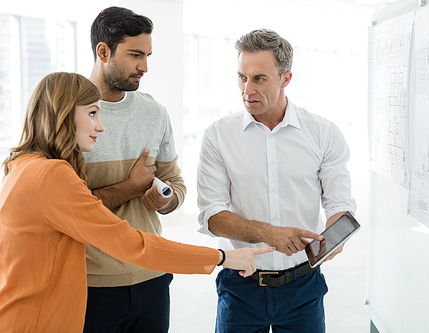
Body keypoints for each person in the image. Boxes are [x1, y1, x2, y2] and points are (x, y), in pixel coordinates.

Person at [0, 72, 272, 333]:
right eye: (92, 113)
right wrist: (223, 257)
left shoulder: (22, 167)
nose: (100, 126)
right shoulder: (52, 175)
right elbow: (132, 244)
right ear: (64, 112)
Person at [197, 29, 357, 333]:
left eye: (259, 79)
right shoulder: (218, 136)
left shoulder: (322, 133)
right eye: (242, 77)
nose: (247, 89)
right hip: (240, 286)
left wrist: (333, 237)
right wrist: (269, 234)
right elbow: (212, 216)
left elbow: (340, 203)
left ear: (286, 78)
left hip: (302, 288)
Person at [83, 7, 184, 332]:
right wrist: (130, 186)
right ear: (104, 51)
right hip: (90, 285)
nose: (144, 67)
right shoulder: (67, 115)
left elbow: (176, 183)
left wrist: (165, 199)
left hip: (152, 278)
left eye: (148, 55)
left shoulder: (155, 113)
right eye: (135, 55)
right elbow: (65, 210)